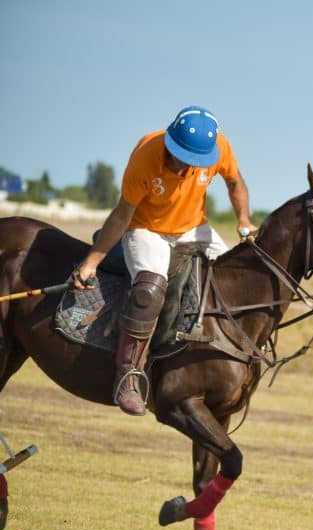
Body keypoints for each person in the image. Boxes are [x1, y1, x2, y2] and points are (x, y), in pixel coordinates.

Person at [71, 105, 256, 416]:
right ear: (170, 143)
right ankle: (129, 374)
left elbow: (235, 182)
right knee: (149, 289)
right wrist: (92, 261)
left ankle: (232, 359)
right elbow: (121, 215)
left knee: (237, 276)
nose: (185, 168)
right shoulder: (146, 154)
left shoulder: (220, 146)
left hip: (193, 228)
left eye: (194, 163)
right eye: (181, 158)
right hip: (146, 229)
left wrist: (244, 221)